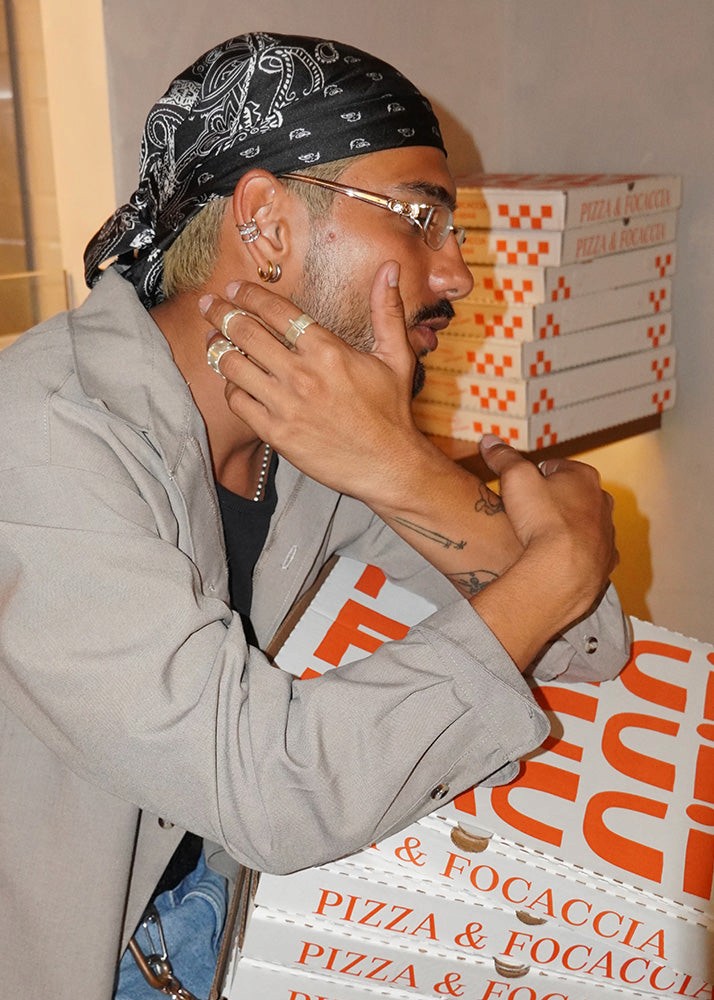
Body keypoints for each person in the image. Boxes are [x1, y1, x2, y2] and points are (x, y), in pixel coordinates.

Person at [0, 31, 629, 1000]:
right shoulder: (39, 440)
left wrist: (403, 467)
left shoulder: (306, 429)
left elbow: (578, 642)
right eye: (422, 215)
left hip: (233, 915)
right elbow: (271, 788)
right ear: (267, 223)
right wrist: (559, 564)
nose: (456, 273)